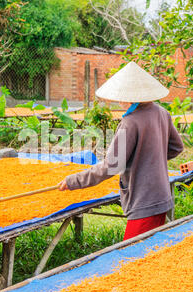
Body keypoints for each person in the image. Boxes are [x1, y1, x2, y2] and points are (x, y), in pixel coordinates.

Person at [58, 61, 184, 241]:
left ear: (128, 97)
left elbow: (112, 165)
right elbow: (176, 147)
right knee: (149, 251)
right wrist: (151, 162)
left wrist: (73, 181)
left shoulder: (130, 122)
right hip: (162, 196)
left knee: (131, 255)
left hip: (143, 201)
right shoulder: (162, 112)